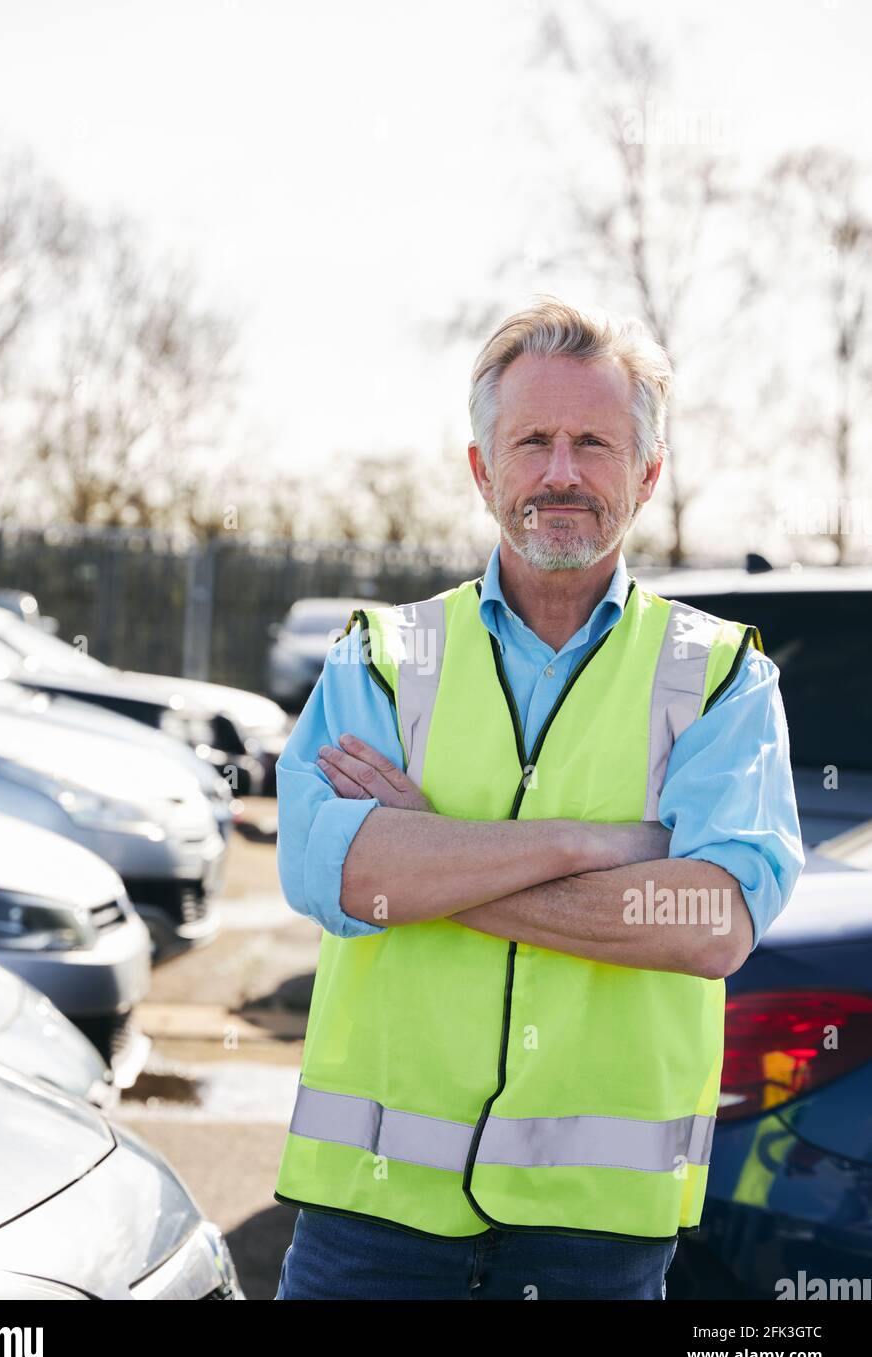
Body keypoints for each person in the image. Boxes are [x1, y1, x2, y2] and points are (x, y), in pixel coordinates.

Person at [272, 295, 805, 1300]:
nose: (560, 472)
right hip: (368, 1222)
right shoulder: (383, 659)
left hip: (590, 1243)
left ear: (645, 474)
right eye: (532, 441)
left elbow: (706, 922)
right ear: (483, 469)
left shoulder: (719, 676)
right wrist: (590, 844)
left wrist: (425, 856)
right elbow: (322, 868)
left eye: (592, 442)